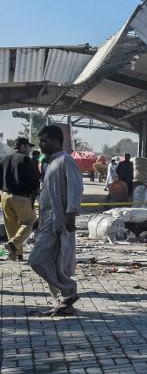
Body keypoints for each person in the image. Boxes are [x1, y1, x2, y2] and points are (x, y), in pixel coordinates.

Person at [27, 126, 83, 315]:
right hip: (47, 221)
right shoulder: (51, 163)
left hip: (58, 221)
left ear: (57, 141)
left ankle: (68, 289)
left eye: (44, 140)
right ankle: (65, 302)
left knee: (37, 260)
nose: (41, 144)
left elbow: (75, 189)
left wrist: (70, 214)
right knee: (52, 262)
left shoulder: (66, 160)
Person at [1, 136, 42, 261]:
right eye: (29, 147)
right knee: (30, 222)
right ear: (23, 146)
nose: (29, 150)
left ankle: (16, 254)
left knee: (11, 226)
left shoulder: (4, 159)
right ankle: (13, 245)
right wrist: (35, 192)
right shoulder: (25, 159)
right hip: (21, 197)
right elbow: (34, 179)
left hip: (5, 197)